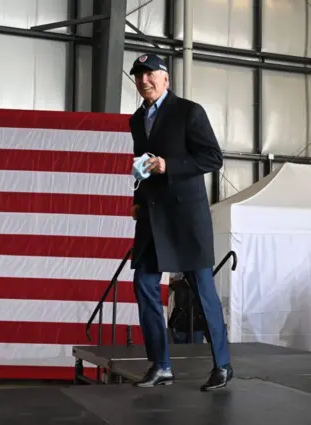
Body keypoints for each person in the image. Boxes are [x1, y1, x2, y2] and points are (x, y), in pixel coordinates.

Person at [127, 53, 233, 392]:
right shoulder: (136, 119)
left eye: (150, 74)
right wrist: (137, 200)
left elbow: (212, 158)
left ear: (166, 78)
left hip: (186, 218)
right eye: (138, 76)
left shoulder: (190, 111)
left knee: (202, 292)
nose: (144, 81)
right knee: (144, 284)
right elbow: (143, 166)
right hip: (152, 218)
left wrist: (168, 165)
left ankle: (223, 365)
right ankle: (160, 366)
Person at [168, 273, 207, 344]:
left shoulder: (202, 283)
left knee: (196, 350)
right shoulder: (178, 281)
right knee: (181, 351)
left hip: (196, 323)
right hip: (180, 323)